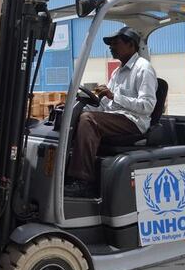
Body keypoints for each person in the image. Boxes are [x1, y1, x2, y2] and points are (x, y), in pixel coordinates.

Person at [64, 26, 158, 198]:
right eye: (110, 44)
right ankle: (66, 172)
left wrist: (115, 96)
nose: (111, 47)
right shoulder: (117, 72)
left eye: (116, 43)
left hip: (134, 121)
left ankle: (83, 181)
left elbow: (147, 106)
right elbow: (108, 105)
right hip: (117, 117)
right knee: (77, 115)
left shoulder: (143, 69)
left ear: (131, 45)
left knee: (88, 120)